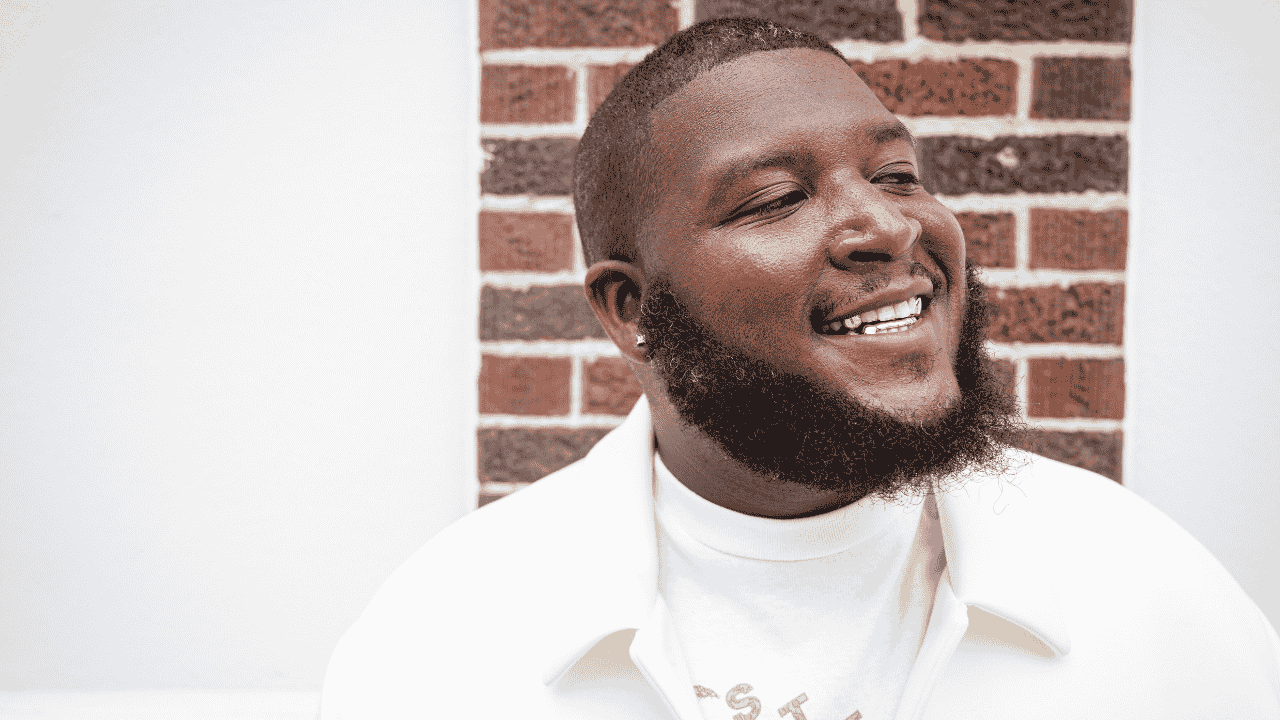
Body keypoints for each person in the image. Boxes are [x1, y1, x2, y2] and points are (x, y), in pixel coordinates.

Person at [320, 18, 1280, 719]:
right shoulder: (443, 640)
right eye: (775, 198)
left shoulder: (1144, 588)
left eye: (897, 174)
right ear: (630, 308)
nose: (889, 226)